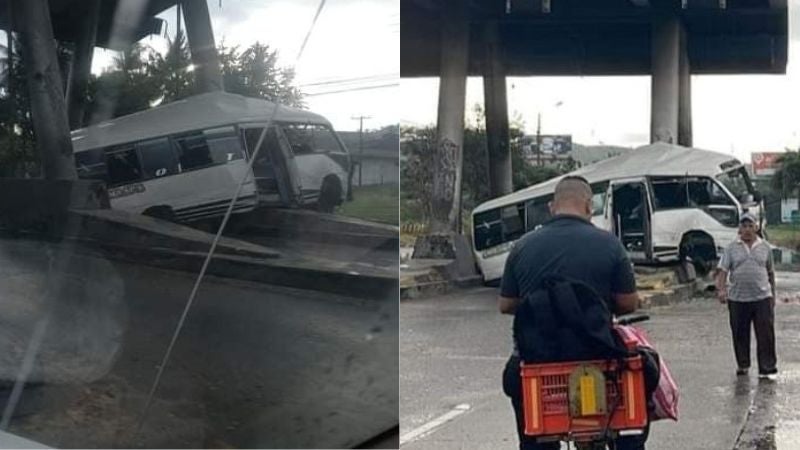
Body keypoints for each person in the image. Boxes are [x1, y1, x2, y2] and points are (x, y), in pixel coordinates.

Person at [499, 176, 646, 450]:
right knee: (643, 374)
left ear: (552, 207)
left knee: (515, 383)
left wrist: (542, 304)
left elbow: (506, 304)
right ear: (589, 207)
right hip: (598, 355)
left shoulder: (522, 246)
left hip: (538, 358)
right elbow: (628, 303)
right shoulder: (610, 245)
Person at [715, 212, 777, 380]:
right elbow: (723, 271)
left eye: (751, 226)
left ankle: (767, 368)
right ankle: (743, 364)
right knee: (740, 333)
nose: (748, 230)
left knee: (766, 334)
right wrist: (721, 290)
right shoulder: (731, 248)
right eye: (744, 226)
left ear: (756, 228)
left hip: (762, 298)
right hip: (738, 299)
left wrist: (773, 295)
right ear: (739, 229)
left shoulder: (765, 247)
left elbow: (770, 272)